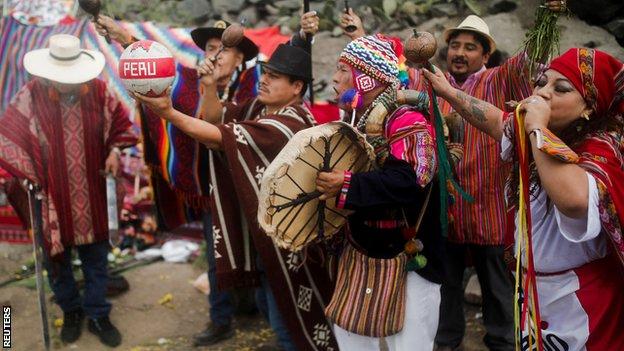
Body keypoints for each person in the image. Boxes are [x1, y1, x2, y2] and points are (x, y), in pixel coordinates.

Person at [96, 13, 321, 347]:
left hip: (261, 200)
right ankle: (224, 320)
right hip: (216, 192)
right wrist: (205, 85)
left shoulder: (258, 86)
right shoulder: (198, 82)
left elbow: (219, 132)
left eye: (221, 47)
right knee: (228, 258)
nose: (214, 54)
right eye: (210, 48)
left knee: (273, 279)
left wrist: (304, 36)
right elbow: (156, 70)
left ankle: (275, 327)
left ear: (240, 56)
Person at [425, 46, 624, 350]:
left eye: (561, 89)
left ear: (589, 107)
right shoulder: (538, 131)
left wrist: (537, 128)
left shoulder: (601, 148)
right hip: (534, 291)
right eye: (542, 82)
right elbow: (493, 119)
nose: (543, 93)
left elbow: (574, 200)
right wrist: (447, 91)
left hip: (580, 299)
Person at [0, 34, 137, 347]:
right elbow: (10, 135)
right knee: (56, 261)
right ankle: (72, 310)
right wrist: (27, 174)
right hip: (50, 194)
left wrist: (115, 150)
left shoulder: (100, 92)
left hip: (93, 189)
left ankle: (98, 313)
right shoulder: (31, 94)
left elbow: (121, 126)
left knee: (96, 259)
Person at [315, 34, 445, 350]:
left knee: (411, 341)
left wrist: (348, 184)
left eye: (343, 69)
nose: (335, 77)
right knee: (352, 335)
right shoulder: (356, 119)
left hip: (408, 251)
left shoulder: (406, 119)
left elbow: (413, 179)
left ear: (366, 78)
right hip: (362, 248)